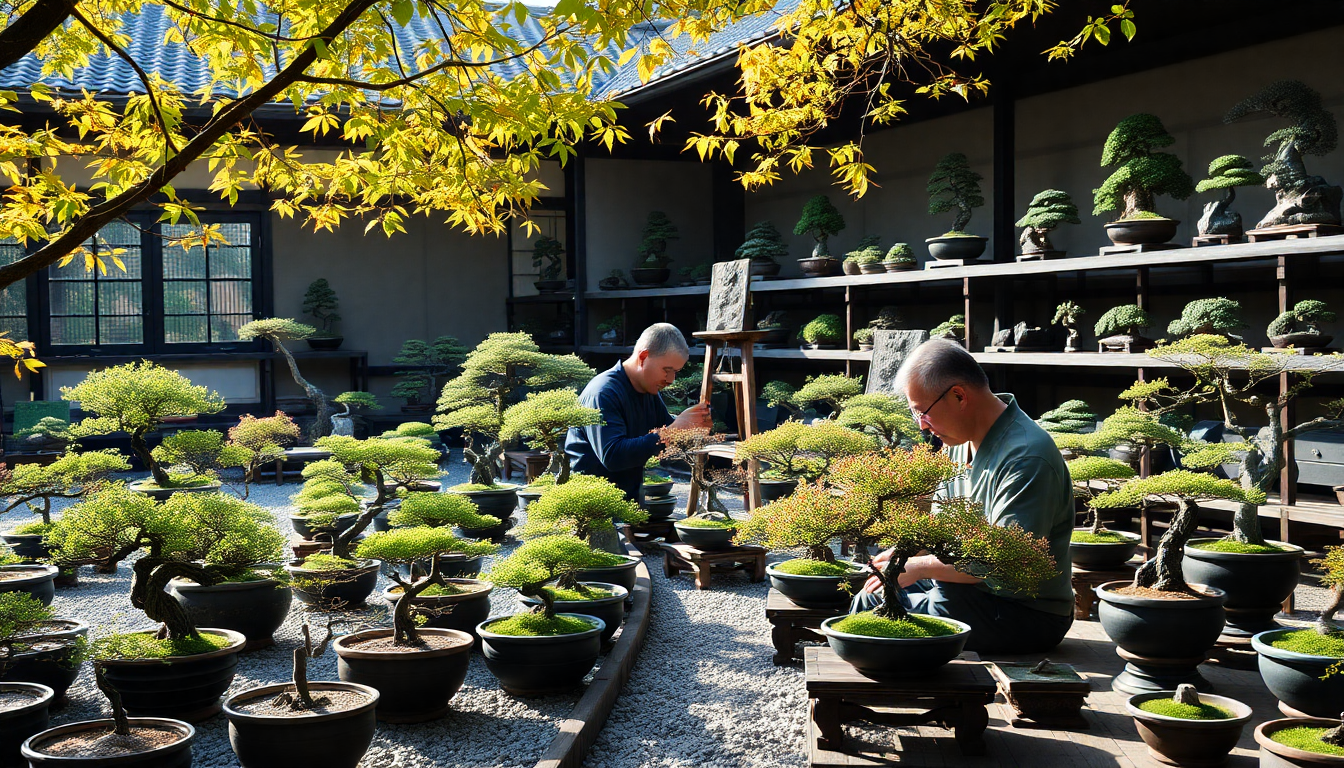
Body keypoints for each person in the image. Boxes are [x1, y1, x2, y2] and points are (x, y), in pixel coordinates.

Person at [852, 338, 1074, 654]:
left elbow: (1001, 563)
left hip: (1023, 609)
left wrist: (922, 566)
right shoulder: (958, 443)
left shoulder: (1027, 457)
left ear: (958, 396)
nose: (922, 427)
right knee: (874, 594)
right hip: (964, 586)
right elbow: (943, 531)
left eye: (922, 413)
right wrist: (905, 554)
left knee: (908, 609)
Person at [565, 323, 712, 500]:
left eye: (676, 372)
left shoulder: (649, 391)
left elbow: (666, 432)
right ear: (643, 357)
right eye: (667, 370)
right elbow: (613, 456)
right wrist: (673, 432)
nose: (671, 380)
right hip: (592, 506)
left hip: (630, 503)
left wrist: (695, 424)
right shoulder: (603, 392)